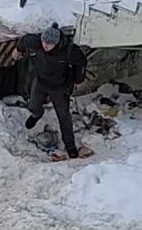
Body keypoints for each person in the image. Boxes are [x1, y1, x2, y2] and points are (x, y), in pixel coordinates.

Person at [12, 25, 92, 161]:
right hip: (40, 81)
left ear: (56, 43)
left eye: (49, 44)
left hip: (59, 87)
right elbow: (24, 41)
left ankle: (70, 145)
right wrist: (17, 50)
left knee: (63, 116)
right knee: (33, 104)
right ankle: (37, 114)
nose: (45, 46)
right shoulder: (35, 42)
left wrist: (79, 79)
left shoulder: (68, 51)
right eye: (44, 41)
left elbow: (81, 61)